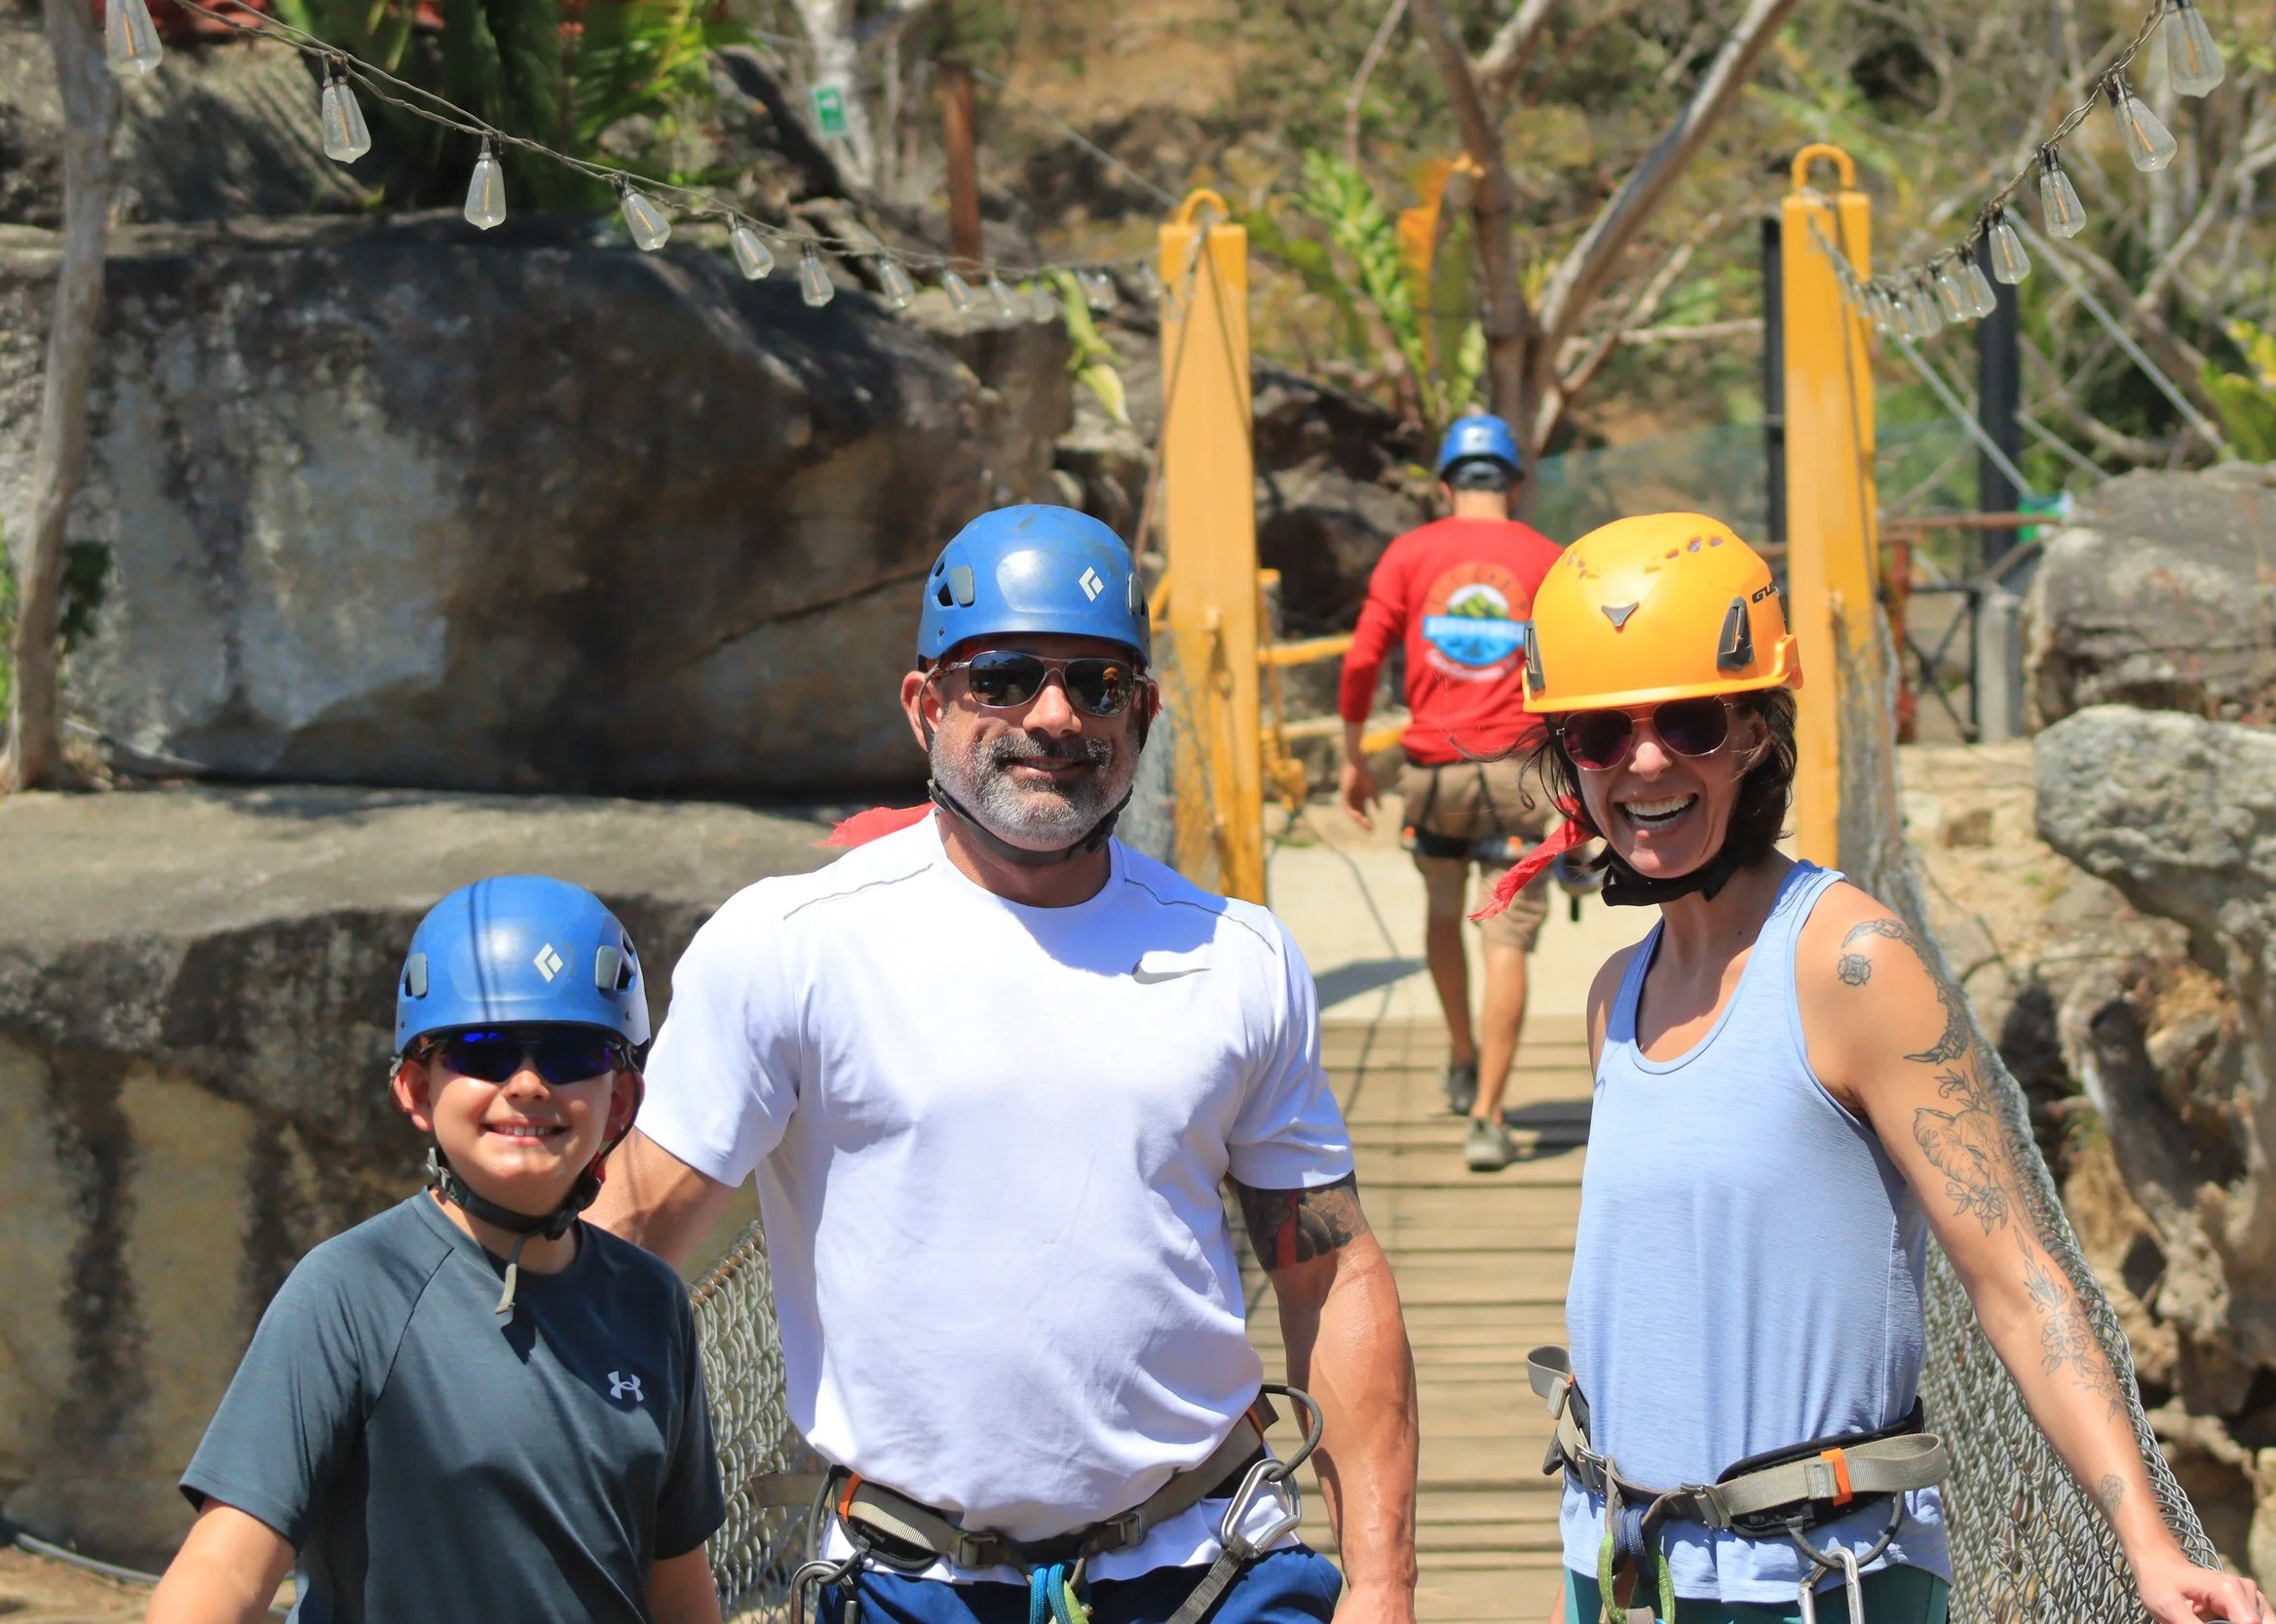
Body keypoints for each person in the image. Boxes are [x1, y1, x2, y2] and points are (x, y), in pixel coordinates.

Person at [588, 505, 1420, 1624]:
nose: (1054, 714)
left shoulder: (1239, 955)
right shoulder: (793, 944)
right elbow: (628, 1240)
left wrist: (1383, 1582)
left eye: (1098, 683)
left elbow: (1330, 1269)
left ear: (1148, 711)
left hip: (1210, 1567)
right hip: (904, 1582)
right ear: (924, 704)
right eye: (1005, 677)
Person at [1476, 512, 2275, 1624]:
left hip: (1811, 1583)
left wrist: (2145, 1538)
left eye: (1693, 722)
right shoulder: (1616, 992)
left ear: (1756, 729)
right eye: (1603, 733)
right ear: (1569, 757)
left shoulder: (1851, 960)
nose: (1646, 761)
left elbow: (2017, 1272)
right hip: (1622, 1571)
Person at [149, 877, 725, 1624]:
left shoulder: (650, 1303)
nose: (526, 1083)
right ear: (417, 1088)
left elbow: (678, 1589)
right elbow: (224, 1565)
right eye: (482, 1050)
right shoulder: (351, 1291)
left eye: (569, 1051)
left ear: (619, 1100)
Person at [1336, 413, 1565, 1171]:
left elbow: (1364, 658)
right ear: (1516, 486)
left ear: (1444, 485)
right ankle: (1490, 1116)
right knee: (1505, 936)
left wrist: (1352, 755)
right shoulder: (1548, 560)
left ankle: (1462, 1053)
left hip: (1434, 772)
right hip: (1522, 775)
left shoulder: (1410, 554)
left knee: (1442, 910)